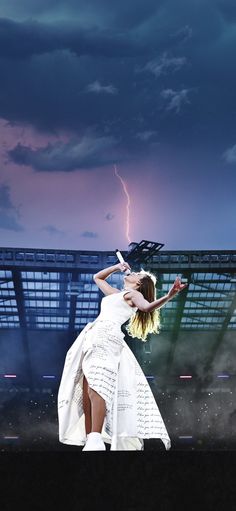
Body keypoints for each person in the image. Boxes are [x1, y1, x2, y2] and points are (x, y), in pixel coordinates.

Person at [57, 261, 188, 451]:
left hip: (106, 338)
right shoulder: (118, 295)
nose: (132, 272)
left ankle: (95, 438)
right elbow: (98, 277)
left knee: (97, 386)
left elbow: (147, 307)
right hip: (91, 338)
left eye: (137, 274)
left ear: (139, 284)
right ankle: (90, 439)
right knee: (86, 390)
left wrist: (169, 295)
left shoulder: (135, 295)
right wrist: (117, 267)